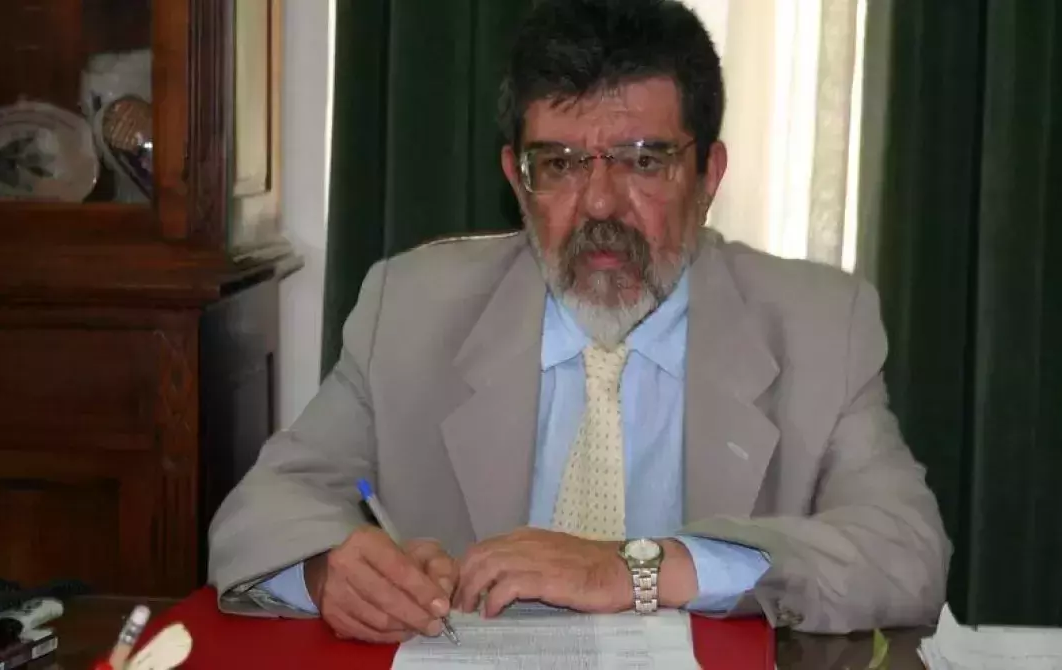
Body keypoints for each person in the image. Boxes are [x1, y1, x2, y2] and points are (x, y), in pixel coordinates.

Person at [207, 0, 950, 642]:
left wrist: (638, 569)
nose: (598, 204)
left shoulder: (819, 324)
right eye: (560, 164)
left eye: (643, 162)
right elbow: (261, 511)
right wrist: (326, 569)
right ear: (516, 179)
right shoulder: (408, 309)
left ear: (709, 175)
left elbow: (907, 553)